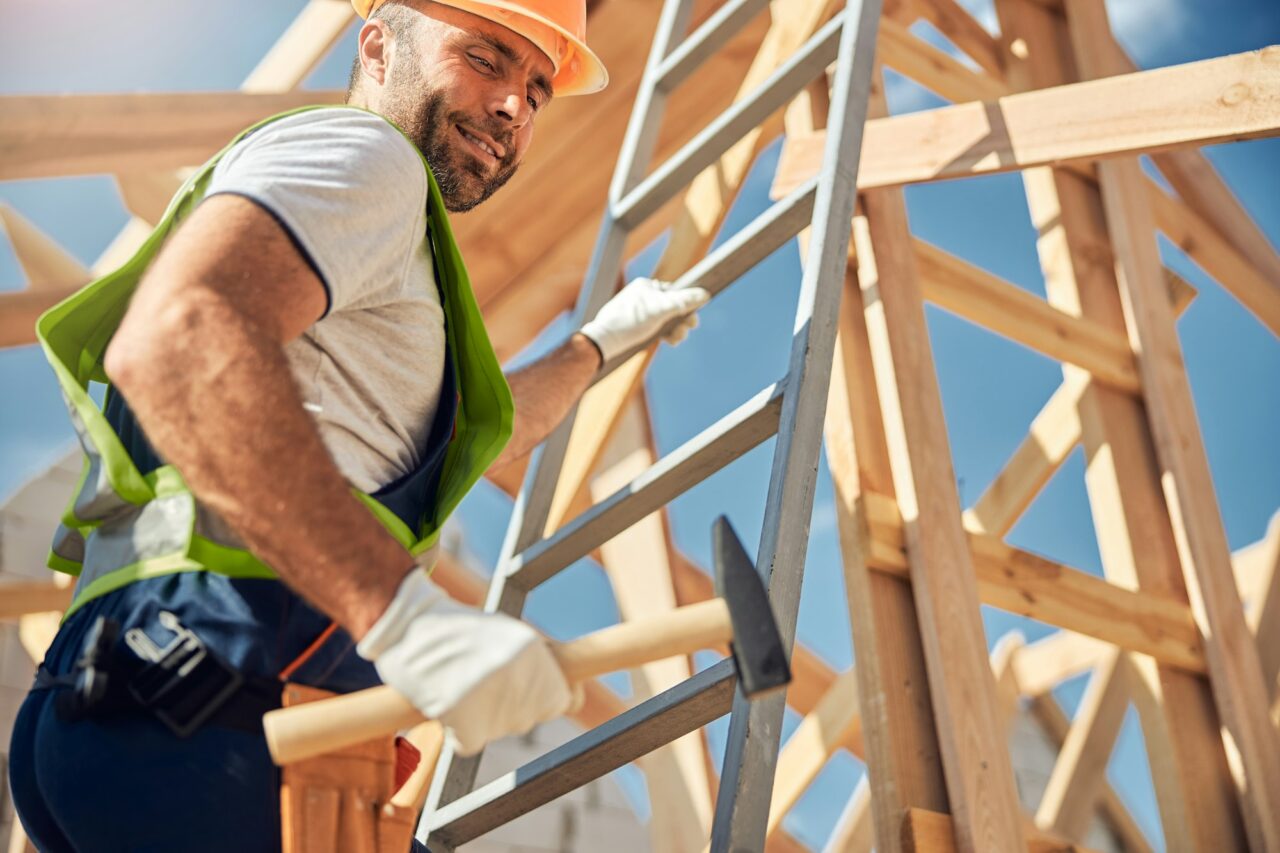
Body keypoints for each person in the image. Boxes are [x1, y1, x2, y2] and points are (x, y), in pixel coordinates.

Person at [7, 1, 709, 850]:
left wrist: (597, 345)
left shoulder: (378, 250)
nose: (514, 106)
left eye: (537, 88)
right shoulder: (371, 157)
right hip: (221, 701)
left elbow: (460, 440)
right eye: (486, 59)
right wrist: (399, 611)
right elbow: (178, 335)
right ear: (376, 47)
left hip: (153, 700)